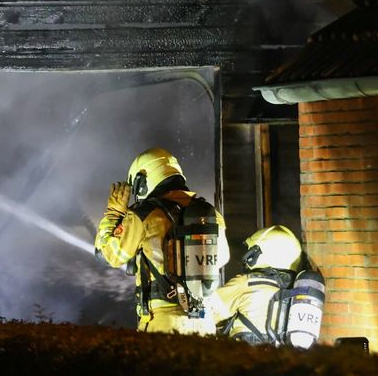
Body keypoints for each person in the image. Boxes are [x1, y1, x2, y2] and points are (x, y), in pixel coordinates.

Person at [94, 147, 229, 334]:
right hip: (204, 321)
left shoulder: (144, 214)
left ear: (142, 181)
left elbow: (109, 255)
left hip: (163, 323)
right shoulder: (209, 212)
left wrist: (114, 214)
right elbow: (222, 258)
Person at [207, 224, 305, 344]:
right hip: (282, 355)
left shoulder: (247, 283)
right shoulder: (297, 289)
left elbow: (208, 313)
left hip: (246, 353)